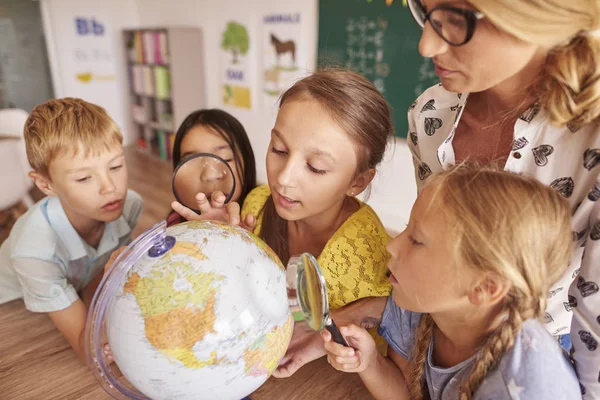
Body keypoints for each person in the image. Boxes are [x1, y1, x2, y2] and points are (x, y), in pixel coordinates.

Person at [404, 0, 600, 395]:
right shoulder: (430, 116)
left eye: (455, 21)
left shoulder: (592, 142)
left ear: (538, 20)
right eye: (424, 9)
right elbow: (436, 262)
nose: (426, 45)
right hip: (435, 357)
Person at [172, 69, 395, 377]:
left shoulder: (363, 252)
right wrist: (221, 241)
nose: (283, 178)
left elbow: (397, 324)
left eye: (316, 168)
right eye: (278, 149)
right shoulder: (257, 204)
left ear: (356, 182)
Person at [324, 166, 581, 399]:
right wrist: (371, 364)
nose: (392, 246)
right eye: (406, 229)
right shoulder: (415, 303)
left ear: (484, 288)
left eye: (417, 240)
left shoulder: (527, 387)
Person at [0, 98, 143, 361]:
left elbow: (99, 269)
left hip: (71, 289)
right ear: (45, 184)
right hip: (14, 313)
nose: (109, 187)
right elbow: (89, 351)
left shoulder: (130, 205)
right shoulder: (34, 253)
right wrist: (112, 282)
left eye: (115, 166)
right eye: (84, 178)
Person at [166, 109, 256, 226]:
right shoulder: (174, 228)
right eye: (192, 163)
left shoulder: (267, 218)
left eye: (226, 158)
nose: (210, 175)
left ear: (247, 161)